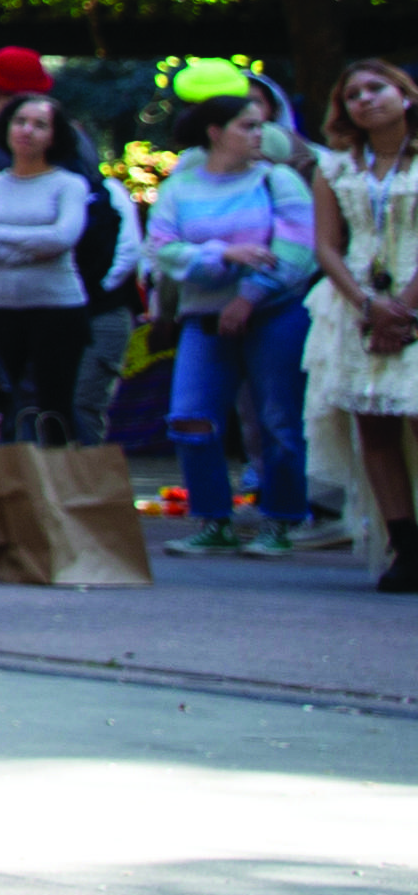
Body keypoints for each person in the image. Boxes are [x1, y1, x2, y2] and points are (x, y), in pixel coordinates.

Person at [139, 81, 321, 555]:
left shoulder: (277, 180)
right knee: (190, 416)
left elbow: (298, 250)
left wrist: (249, 296)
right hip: (204, 318)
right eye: (248, 126)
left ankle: (281, 521)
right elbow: (163, 251)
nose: (259, 134)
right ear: (215, 132)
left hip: (275, 316)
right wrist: (226, 253)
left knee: (278, 420)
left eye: (261, 125)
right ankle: (213, 520)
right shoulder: (179, 187)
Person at [304, 57, 418, 590]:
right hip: (355, 302)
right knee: (373, 424)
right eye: (354, 94)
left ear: (406, 95)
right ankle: (405, 545)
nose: (366, 99)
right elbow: (327, 244)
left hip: (412, 295)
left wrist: (405, 307)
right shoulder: (336, 166)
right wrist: (367, 304)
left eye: (377, 88)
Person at [0, 89, 102, 454]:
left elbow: (63, 237)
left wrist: (0, 237)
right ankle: (18, 486)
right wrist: (28, 248)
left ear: (55, 134)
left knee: (57, 402)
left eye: (40, 124)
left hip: (60, 309)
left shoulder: (69, 184)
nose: (27, 131)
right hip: (2, 308)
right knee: (11, 400)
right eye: (20, 122)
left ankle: (64, 485)